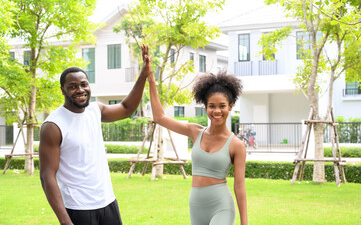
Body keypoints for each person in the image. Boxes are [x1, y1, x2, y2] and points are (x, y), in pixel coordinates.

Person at [39, 44, 151, 225]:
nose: (80, 90)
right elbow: (47, 176)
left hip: (108, 203)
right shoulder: (53, 126)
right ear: (63, 90)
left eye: (84, 84)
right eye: (73, 86)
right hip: (78, 209)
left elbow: (126, 108)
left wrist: (143, 74)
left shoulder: (94, 110)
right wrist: (65, 222)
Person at [144, 45, 248, 225]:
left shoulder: (236, 145)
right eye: (212, 106)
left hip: (221, 206)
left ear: (230, 106)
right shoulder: (195, 132)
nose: (217, 111)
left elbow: (239, 187)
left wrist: (244, 223)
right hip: (196, 206)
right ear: (205, 106)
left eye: (222, 106)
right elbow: (159, 117)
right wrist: (151, 77)